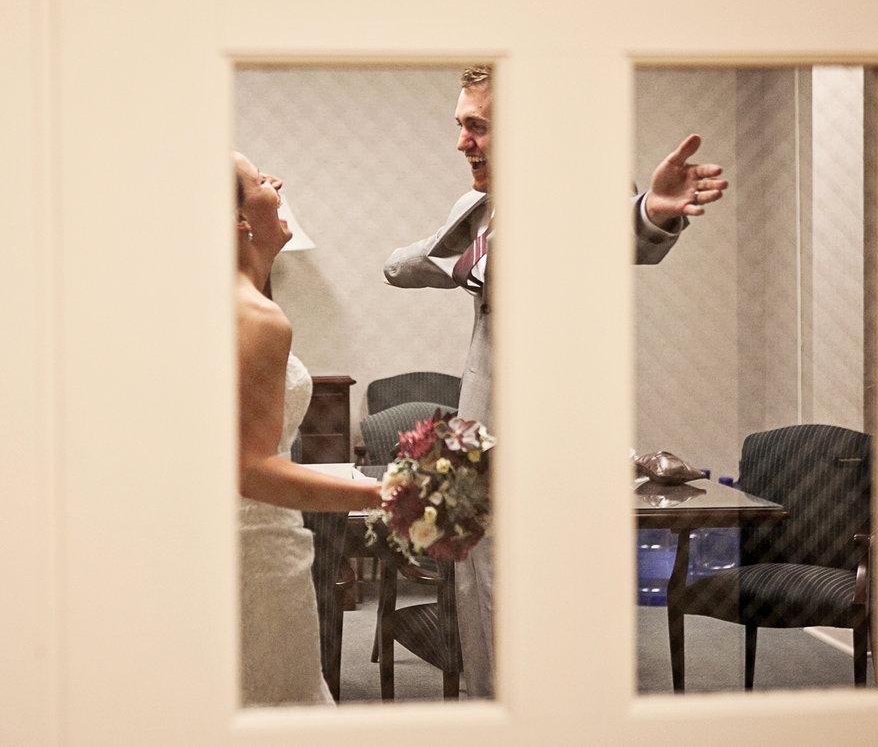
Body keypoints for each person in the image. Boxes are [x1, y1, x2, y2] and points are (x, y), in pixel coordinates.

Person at [382, 65, 728, 699]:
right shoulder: (476, 208)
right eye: (460, 126)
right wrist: (464, 257)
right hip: (479, 441)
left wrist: (651, 209)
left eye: (476, 127)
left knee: (552, 608)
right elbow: (406, 266)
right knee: (481, 599)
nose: (462, 143)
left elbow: (625, 229)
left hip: (557, 446)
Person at [235, 151, 382, 706]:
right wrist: (383, 493)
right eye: (257, 179)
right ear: (239, 219)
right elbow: (251, 470)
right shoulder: (256, 317)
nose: (276, 181)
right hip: (257, 549)